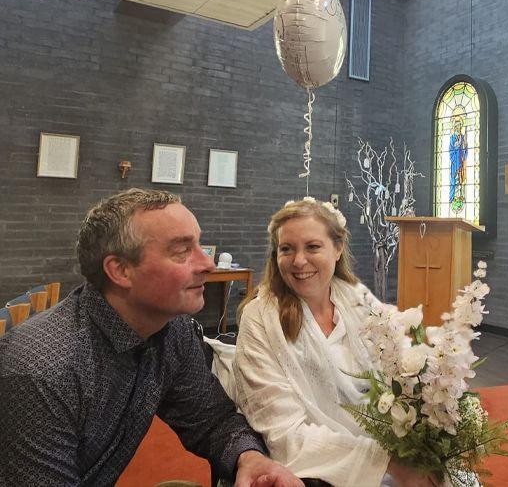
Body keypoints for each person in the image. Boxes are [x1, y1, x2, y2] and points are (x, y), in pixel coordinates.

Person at [0, 188, 302, 487]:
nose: (207, 265)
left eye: (199, 245)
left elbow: (211, 420)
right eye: (182, 251)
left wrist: (250, 459)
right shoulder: (41, 370)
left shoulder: (172, 329)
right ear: (120, 270)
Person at [232, 196, 437, 487]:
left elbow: (399, 375)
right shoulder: (260, 317)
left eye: (313, 247)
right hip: (310, 461)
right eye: (286, 249)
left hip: (383, 442)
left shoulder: (358, 302)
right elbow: (281, 430)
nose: (299, 261)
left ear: (338, 248)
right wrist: (390, 464)